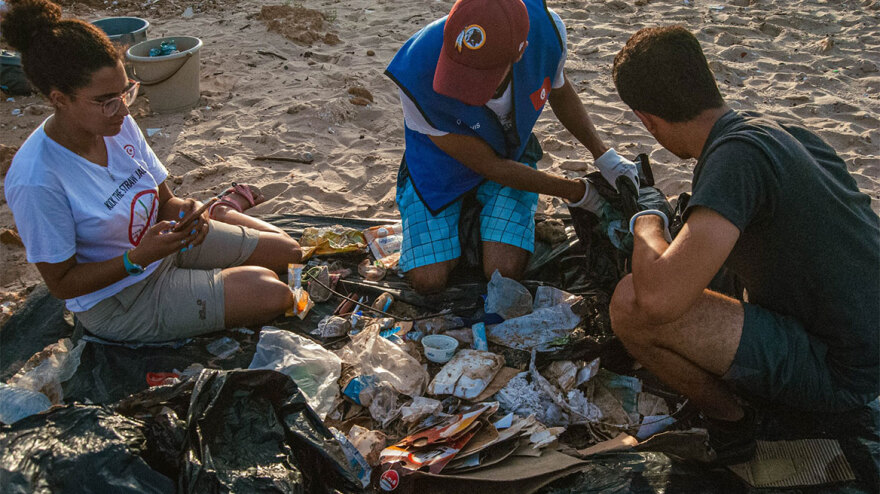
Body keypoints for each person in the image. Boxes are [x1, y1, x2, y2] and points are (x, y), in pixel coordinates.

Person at [608, 26, 879, 463]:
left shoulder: (733, 159)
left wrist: (647, 219)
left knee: (631, 304)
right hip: (863, 336)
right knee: (693, 259)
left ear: (647, 120)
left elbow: (657, 300)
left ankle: (731, 424)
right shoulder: (772, 132)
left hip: (844, 372)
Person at [2, 0, 302, 343]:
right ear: (60, 99)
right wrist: (138, 258)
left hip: (166, 246)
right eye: (107, 100)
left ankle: (221, 215)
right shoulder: (37, 179)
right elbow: (61, 283)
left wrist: (188, 212)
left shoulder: (117, 124)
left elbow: (165, 202)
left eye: (126, 91)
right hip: (120, 297)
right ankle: (220, 247)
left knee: (289, 254)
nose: (123, 109)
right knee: (271, 293)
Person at [385, 0, 638, 293]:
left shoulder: (547, 32)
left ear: (519, 53)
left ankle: (475, 225)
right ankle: (467, 220)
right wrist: (579, 193)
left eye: (481, 79)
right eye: (459, 74)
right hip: (438, 165)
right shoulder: (415, 72)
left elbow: (558, 88)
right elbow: (490, 166)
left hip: (509, 152)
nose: (466, 93)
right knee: (428, 282)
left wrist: (603, 154)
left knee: (503, 272)